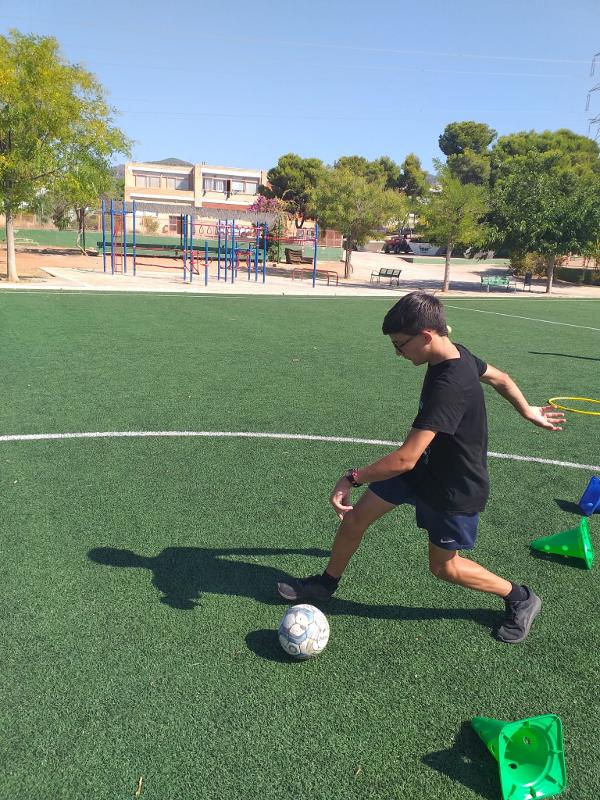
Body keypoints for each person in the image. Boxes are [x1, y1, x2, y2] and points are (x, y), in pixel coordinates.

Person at [277, 291, 565, 643]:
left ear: (426, 336)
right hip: (421, 472)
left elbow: (405, 458)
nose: (398, 353)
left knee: (444, 567)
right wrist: (527, 410)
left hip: (452, 487)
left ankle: (519, 597)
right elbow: (500, 378)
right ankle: (326, 584)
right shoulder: (456, 353)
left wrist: (352, 477)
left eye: (400, 345)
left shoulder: (450, 385)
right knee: (355, 519)